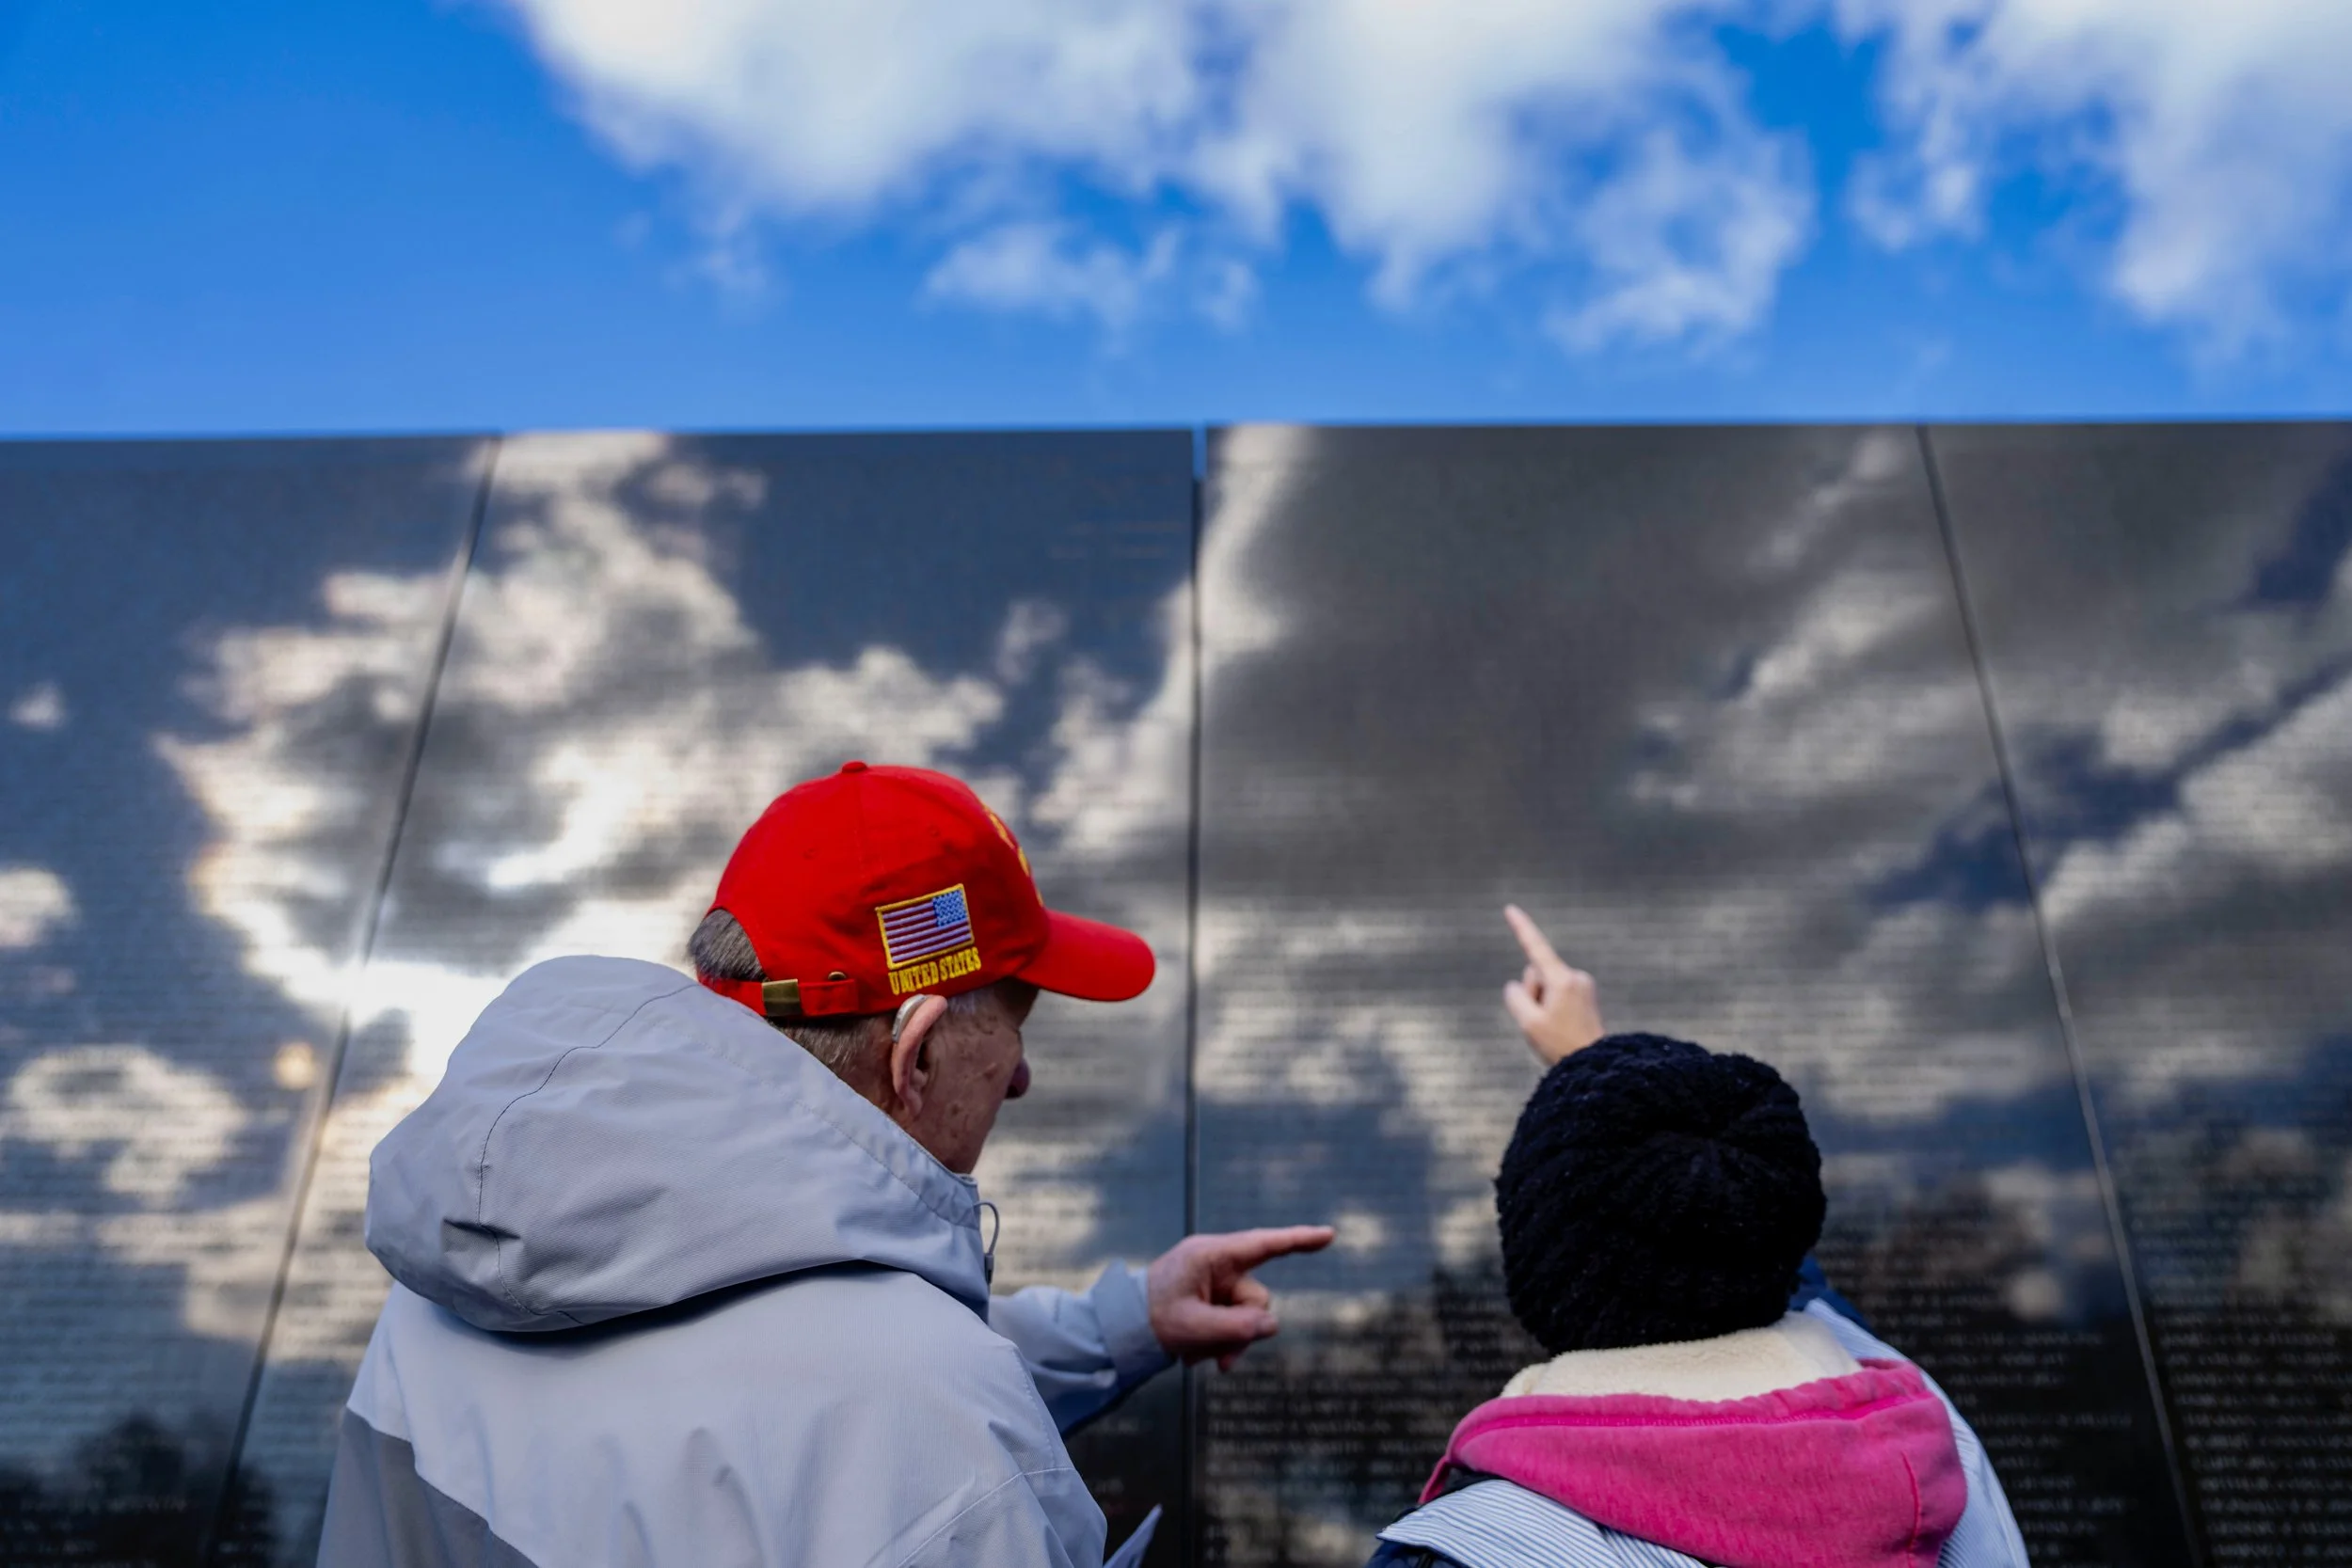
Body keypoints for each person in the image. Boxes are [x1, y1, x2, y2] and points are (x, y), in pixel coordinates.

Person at [320, 761, 1332, 1568]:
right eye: (1014, 1025)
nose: (1021, 1075)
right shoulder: (940, 1437)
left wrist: (1123, 1324)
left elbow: (771, 1387)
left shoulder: (458, 1270)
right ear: (918, 1048)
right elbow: (867, 1411)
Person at [1366, 907, 2028, 1568]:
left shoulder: (1465, 1550)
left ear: (1541, 1264)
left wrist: (1597, 1095)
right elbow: (1754, 1244)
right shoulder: (1936, 1440)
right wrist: (1605, 1088)